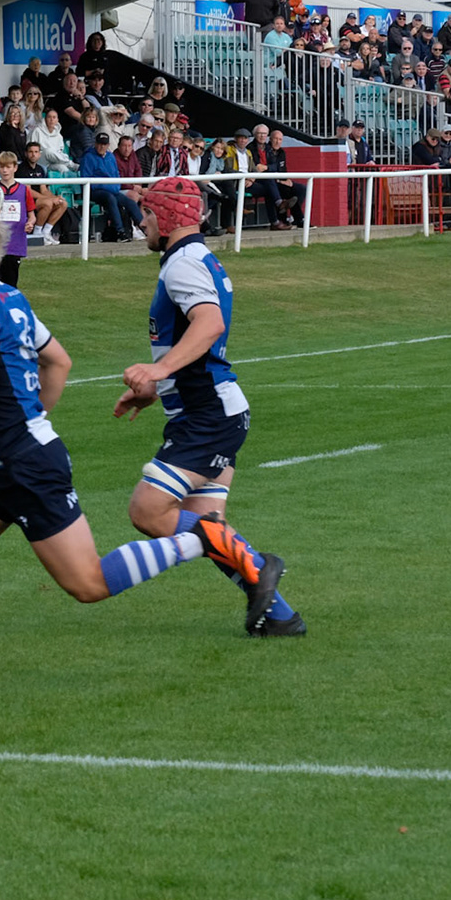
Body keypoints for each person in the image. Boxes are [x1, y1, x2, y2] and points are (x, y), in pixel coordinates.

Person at [0, 201, 275, 694]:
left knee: (88, 584)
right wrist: (35, 421)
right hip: (9, 462)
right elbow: (59, 362)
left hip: (25, 465)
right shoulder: (6, 295)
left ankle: (201, 539)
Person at [113, 178, 300, 637]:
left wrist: (159, 372)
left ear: (169, 219)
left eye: (149, 215)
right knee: (207, 527)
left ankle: (259, 563)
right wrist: (158, 386)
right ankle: (281, 618)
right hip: (213, 408)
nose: (142, 225)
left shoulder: (182, 264)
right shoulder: (192, 259)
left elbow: (209, 324)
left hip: (208, 414)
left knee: (148, 510)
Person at [0, 150, 34, 287]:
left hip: (15, 244)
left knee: (11, 284)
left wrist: (30, 223)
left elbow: (32, 215)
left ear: (15, 168)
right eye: (1, 167)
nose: (5, 170)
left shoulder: (24, 190)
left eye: (8, 167)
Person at [79, 131, 141, 242]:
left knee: (129, 202)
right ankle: (120, 231)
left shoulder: (110, 157)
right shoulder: (88, 157)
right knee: (110, 198)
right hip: (94, 191)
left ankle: (146, 228)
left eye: (104, 144)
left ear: (107, 145)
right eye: (99, 144)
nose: (101, 146)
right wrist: (110, 186)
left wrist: (114, 187)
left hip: (111, 190)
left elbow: (116, 175)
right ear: (95, 143)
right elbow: (86, 179)